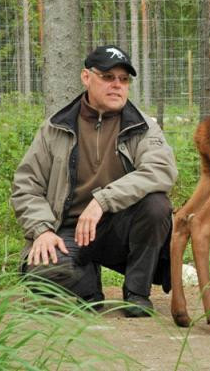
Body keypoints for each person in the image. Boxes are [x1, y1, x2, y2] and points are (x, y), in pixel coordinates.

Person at [11, 45, 178, 317]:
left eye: (124, 80)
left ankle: (137, 293)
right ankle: (87, 287)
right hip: (68, 230)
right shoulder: (55, 128)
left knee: (157, 205)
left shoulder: (143, 126)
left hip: (119, 228)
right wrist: (42, 229)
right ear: (86, 77)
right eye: (108, 77)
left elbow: (161, 170)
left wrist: (103, 200)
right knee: (40, 274)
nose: (117, 86)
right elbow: (26, 185)